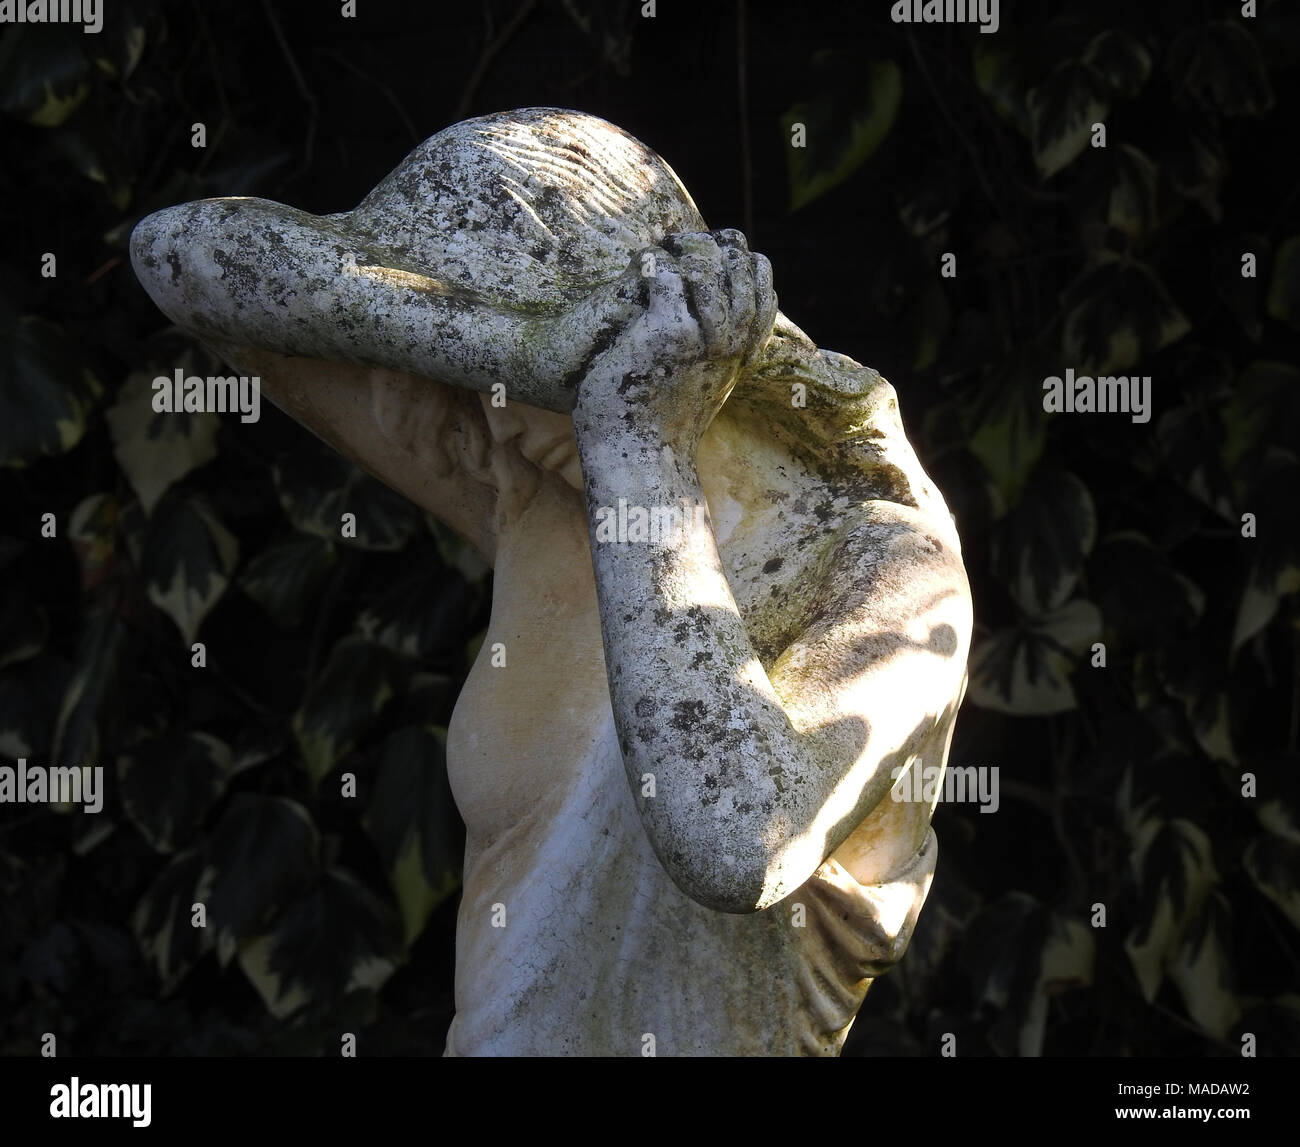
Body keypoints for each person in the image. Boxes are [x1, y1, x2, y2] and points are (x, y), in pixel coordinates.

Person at [131, 107, 972, 1056]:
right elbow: (179, 257)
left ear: (639, 320)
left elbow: (742, 841)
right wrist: (516, 349)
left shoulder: (879, 561)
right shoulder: (535, 485)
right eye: (475, 368)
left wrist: (637, 443)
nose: (488, 422)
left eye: (520, 375)